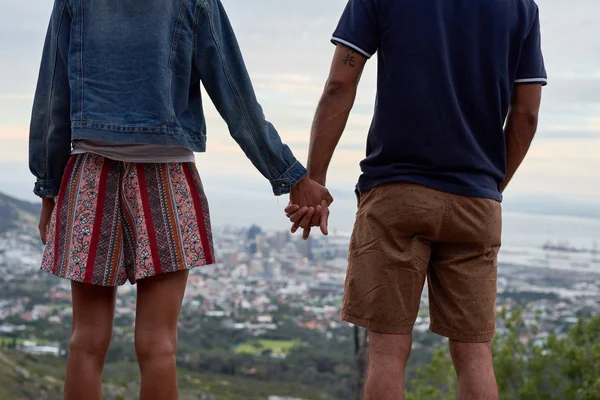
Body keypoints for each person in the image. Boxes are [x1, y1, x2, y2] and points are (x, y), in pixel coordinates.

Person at [29, 0, 331, 399]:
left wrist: (49, 188)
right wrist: (291, 174)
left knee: (85, 341)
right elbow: (234, 93)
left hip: (89, 176)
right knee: (159, 345)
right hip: (167, 178)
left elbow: (53, 98)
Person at [286, 0, 546, 398]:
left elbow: (340, 83)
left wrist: (315, 178)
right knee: (475, 353)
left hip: (396, 192)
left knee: (388, 350)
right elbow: (526, 114)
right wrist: (490, 187)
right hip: (476, 203)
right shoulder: (521, 7)